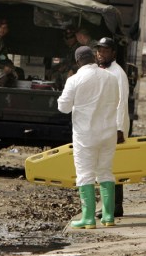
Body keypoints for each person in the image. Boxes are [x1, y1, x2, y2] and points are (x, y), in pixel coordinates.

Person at [57, 46, 119, 229]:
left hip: (86, 135)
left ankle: (88, 218)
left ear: (77, 62)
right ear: (93, 58)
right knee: (106, 172)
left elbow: (63, 107)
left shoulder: (74, 80)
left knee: (85, 175)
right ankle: (108, 217)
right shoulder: (111, 78)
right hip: (108, 133)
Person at [95, 37, 130, 219]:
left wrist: (119, 129)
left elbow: (121, 103)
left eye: (105, 51)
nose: (101, 54)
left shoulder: (118, 73)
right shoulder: (100, 71)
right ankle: (112, 205)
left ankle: (114, 205)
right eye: (99, 51)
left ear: (113, 53)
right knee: (107, 167)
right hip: (104, 127)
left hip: (115, 128)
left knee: (112, 168)